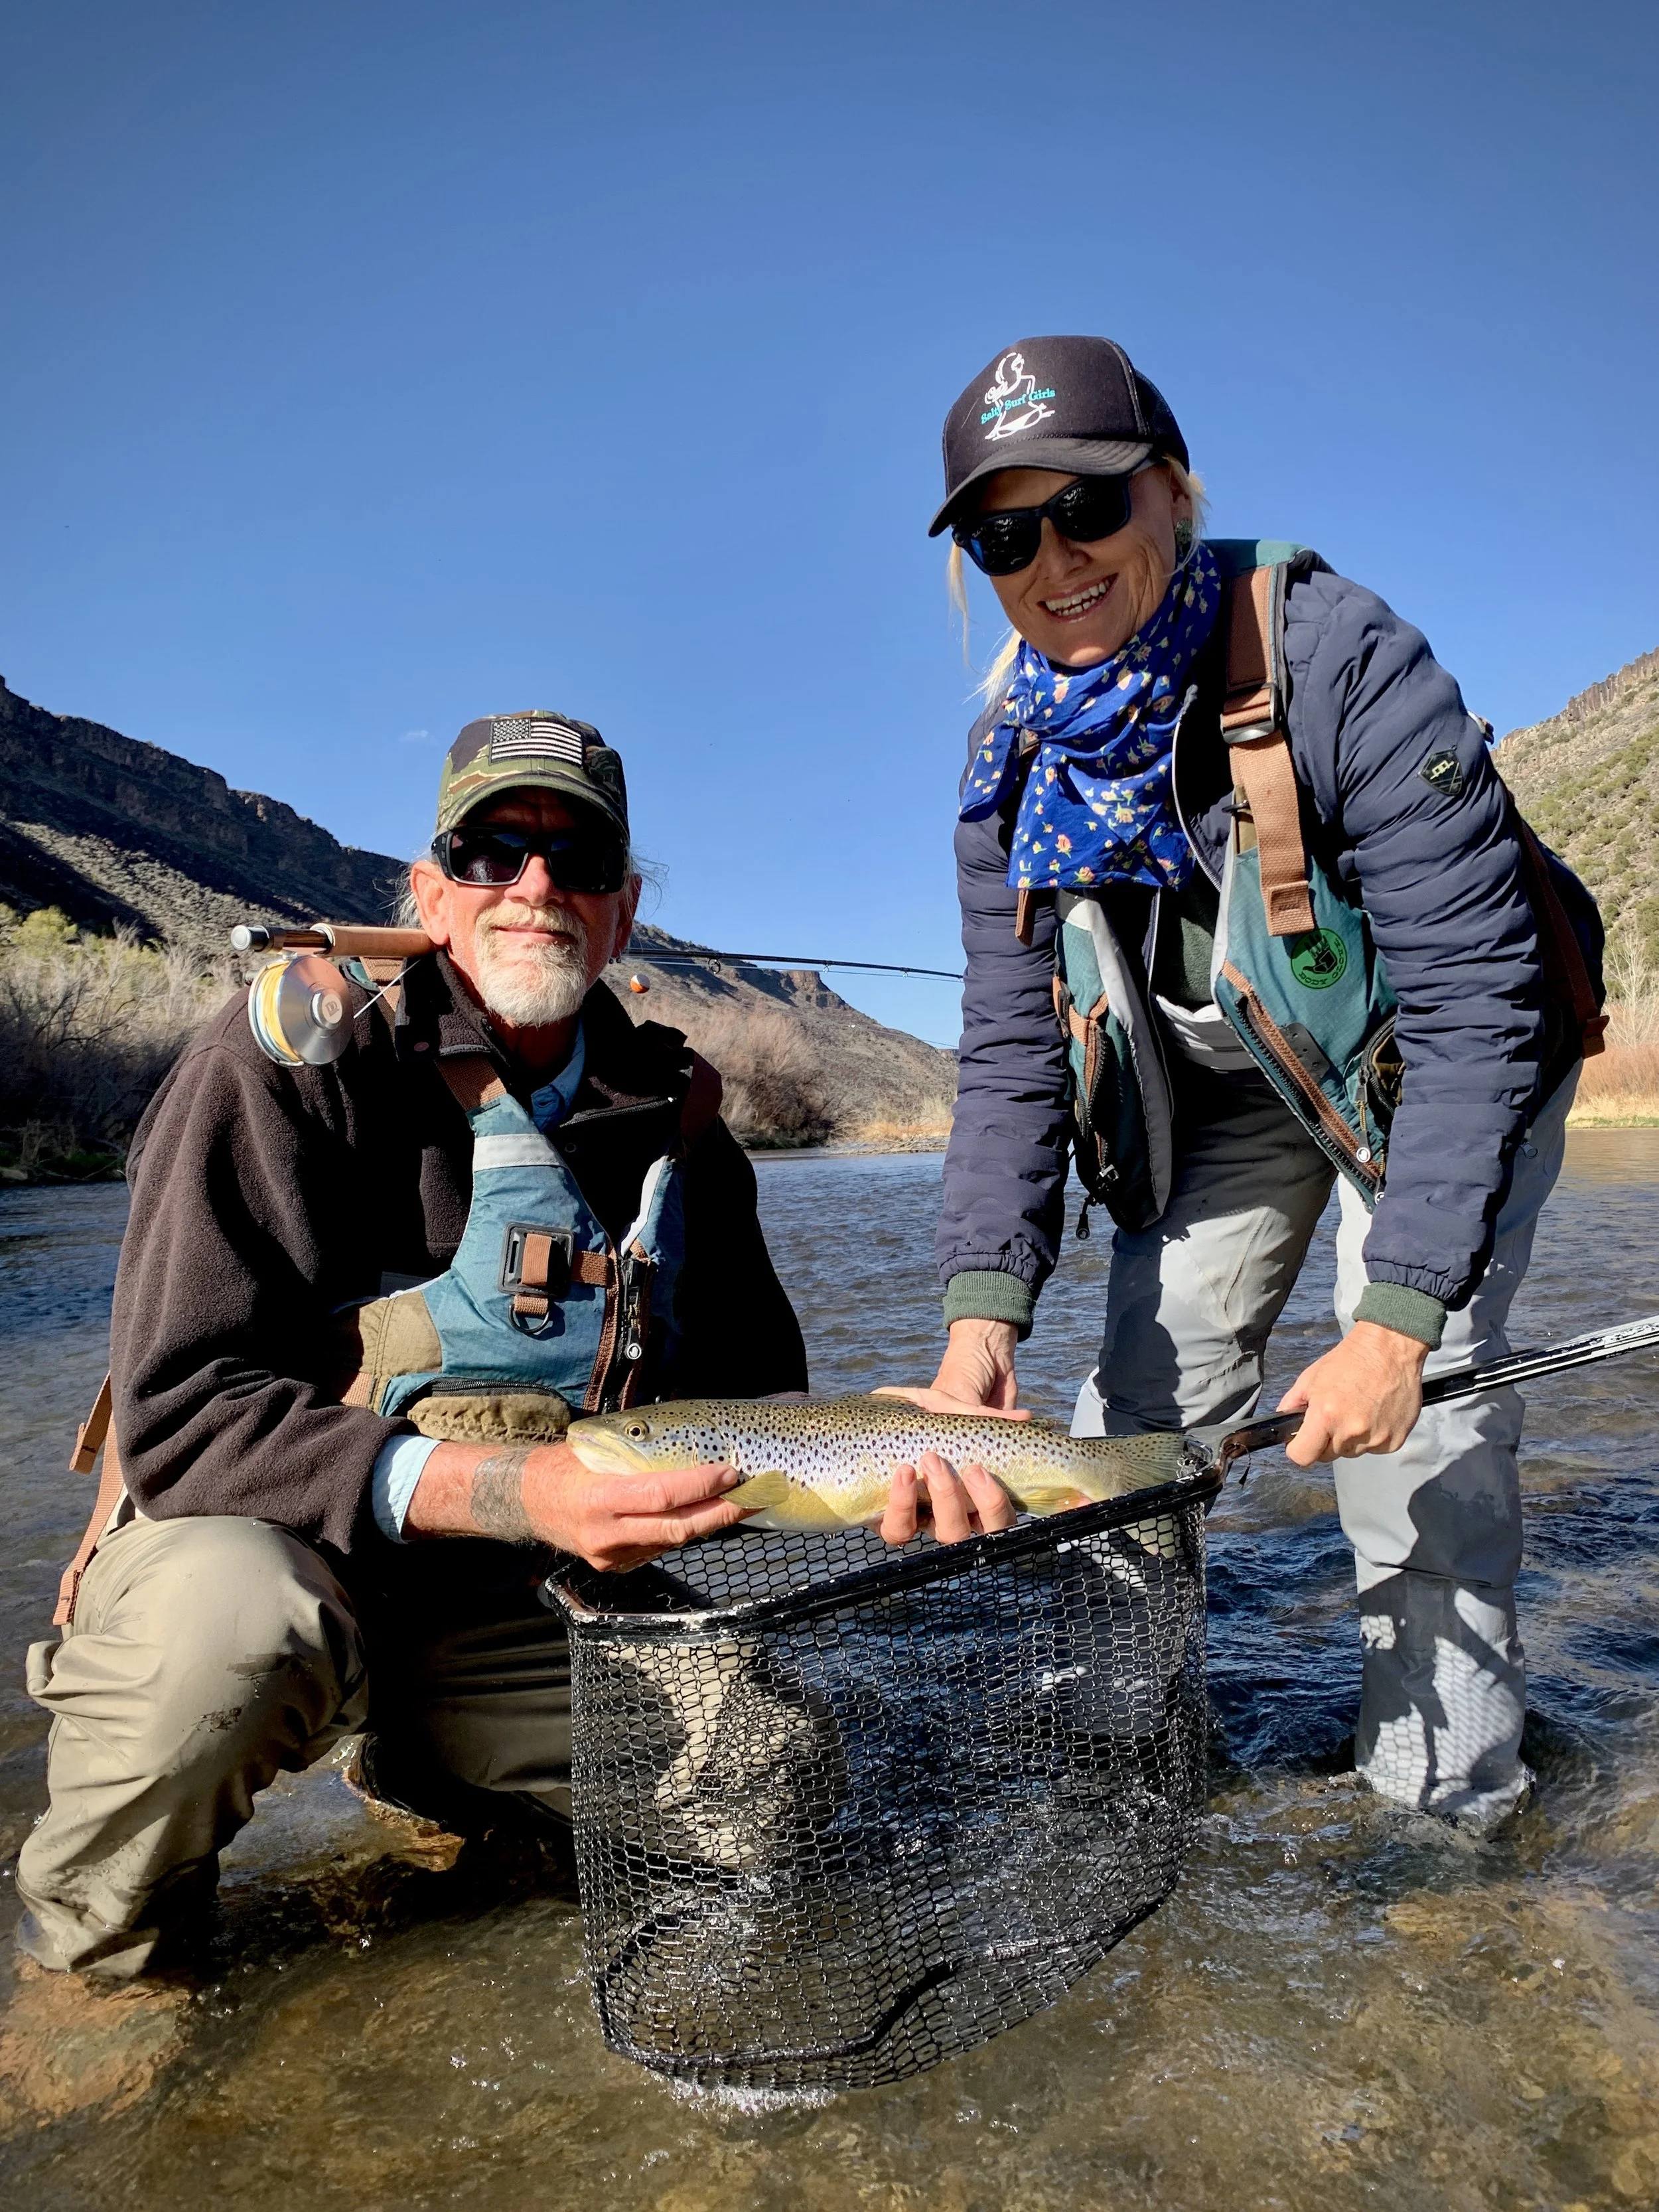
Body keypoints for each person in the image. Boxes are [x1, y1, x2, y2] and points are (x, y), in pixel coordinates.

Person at [912, 335, 1604, 1830]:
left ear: (1172, 490)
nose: (1053, 562)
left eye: (1086, 508)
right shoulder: (1004, 767)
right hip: (1225, 1088)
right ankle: (1116, 1792)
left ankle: (1445, 1828)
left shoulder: (1339, 657)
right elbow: (1011, 1057)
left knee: (1412, 1444)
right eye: (1003, 533)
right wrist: (978, 1330)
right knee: (1124, 1437)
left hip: (1429, 1069)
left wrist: (1396, 1314)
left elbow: (1481, 1007)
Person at [16, 709, 808, 1978]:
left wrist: (888, 1459)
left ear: (624, 907)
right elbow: (177, 1410)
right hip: (249, 1545)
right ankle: (101, 1962)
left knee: (769, 1779)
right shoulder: (284, 1062)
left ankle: (441, 1782)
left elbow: (756, 1407)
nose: (537, 885)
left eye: (580, 859)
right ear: (431, 895)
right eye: (493, 850)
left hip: (502, 1595)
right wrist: (514, 1485)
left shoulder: (678, 1125)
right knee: (232, 1643)